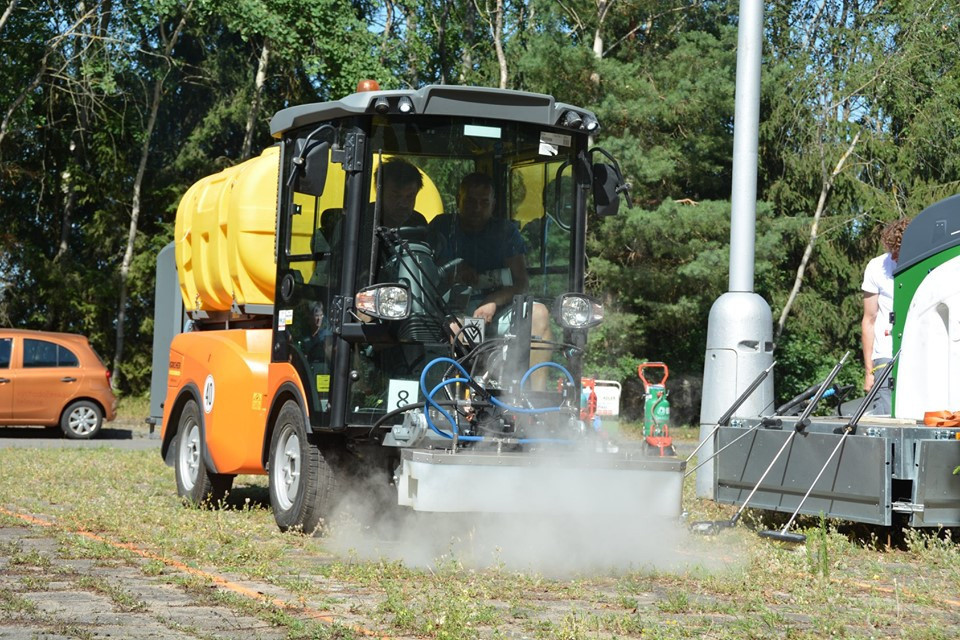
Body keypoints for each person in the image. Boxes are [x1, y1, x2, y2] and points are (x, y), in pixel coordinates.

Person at [429, 174, 552, 376]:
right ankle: (460, 397)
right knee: (459, 328)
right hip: (451, 309)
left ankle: (535, 400)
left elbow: (521, 283)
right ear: (458, 199)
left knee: (539, 314)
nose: (477, 208)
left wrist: (493, 301)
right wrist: (449, 272)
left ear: (493, 204)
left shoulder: (506, 232)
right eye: (470, 201)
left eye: (484, 202)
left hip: (498, 308)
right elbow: (423, 271)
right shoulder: (441, 227)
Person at [861, 217, 910, 414]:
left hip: (919, 355)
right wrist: (869, 372)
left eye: (900, 252)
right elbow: (869, 320)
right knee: (884, 415)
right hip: (885, 356)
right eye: (893, 251)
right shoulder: (876, 266)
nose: (895, 257)